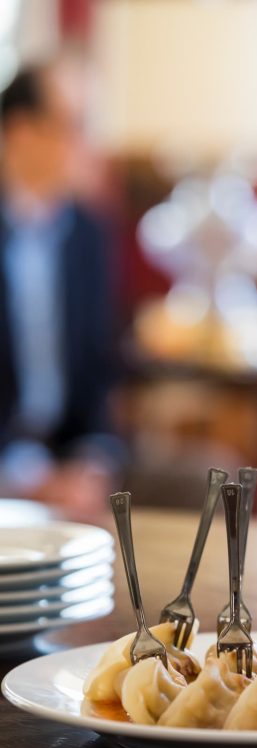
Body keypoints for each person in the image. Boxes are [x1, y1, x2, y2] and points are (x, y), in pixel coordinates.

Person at [0, 58, 121, 520]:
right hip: (9, 461)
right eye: (74, 126)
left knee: (205, 476)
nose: (88, 145)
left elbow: (98, 366)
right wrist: (28, 475)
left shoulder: (89, 233)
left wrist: (95, 457)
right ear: (21, 132)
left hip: (70, 456)